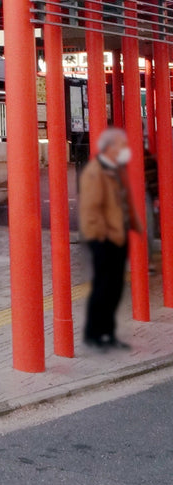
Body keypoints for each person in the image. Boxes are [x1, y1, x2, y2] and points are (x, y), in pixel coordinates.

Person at [79, 126, 144, 350]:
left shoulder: (117, 170)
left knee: (115, 286)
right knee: (103, 286)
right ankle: (94, 333)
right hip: (104, 240)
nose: (125, 149)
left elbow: (125, 202)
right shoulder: (95, 172)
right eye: (121, 145)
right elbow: (91, 210)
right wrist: (102, 236)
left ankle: (107, 332)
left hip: (118, 236)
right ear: (109, 147)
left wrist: (134, 225)